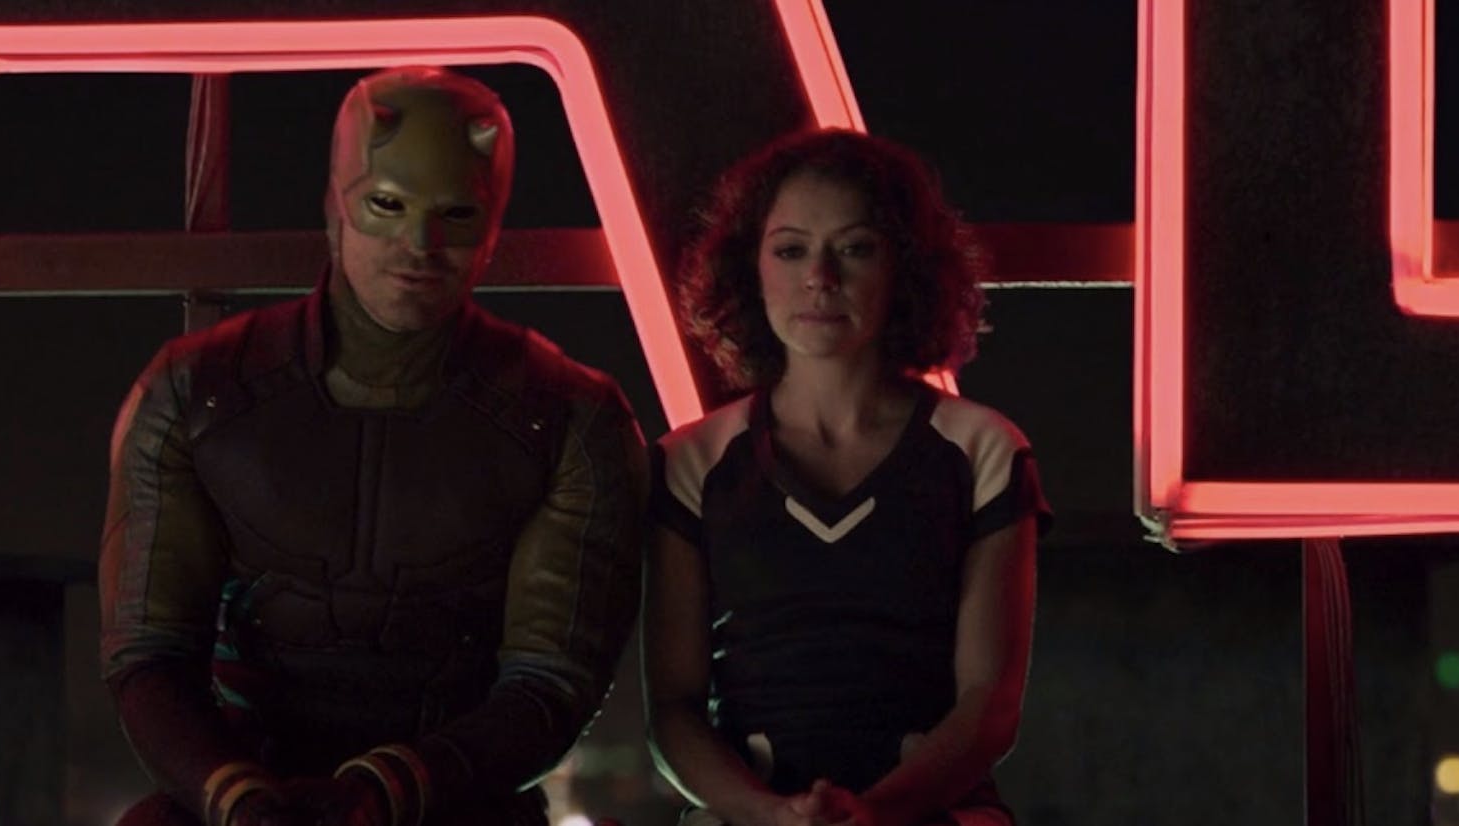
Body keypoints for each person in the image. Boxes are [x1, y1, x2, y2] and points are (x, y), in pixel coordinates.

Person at [99, 66, 648, 826]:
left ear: (492, 228)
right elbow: (148, 652)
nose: (418, 244)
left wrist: (385, 792)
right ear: (336, 207)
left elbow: (552, 685)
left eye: (456, 214)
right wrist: (234, 793)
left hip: (451, 808)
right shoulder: (193, 392)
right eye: (386, 205)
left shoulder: (570, 418)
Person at [643, 129, 1048, 826]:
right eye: (790, 250)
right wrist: (772, 815)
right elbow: (672, 708)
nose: (821, 278)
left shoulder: (984, 450)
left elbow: (990, 704)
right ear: (750, 266)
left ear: (904, 267)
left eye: (855, 249)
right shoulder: (691, 462)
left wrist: (876, 812)